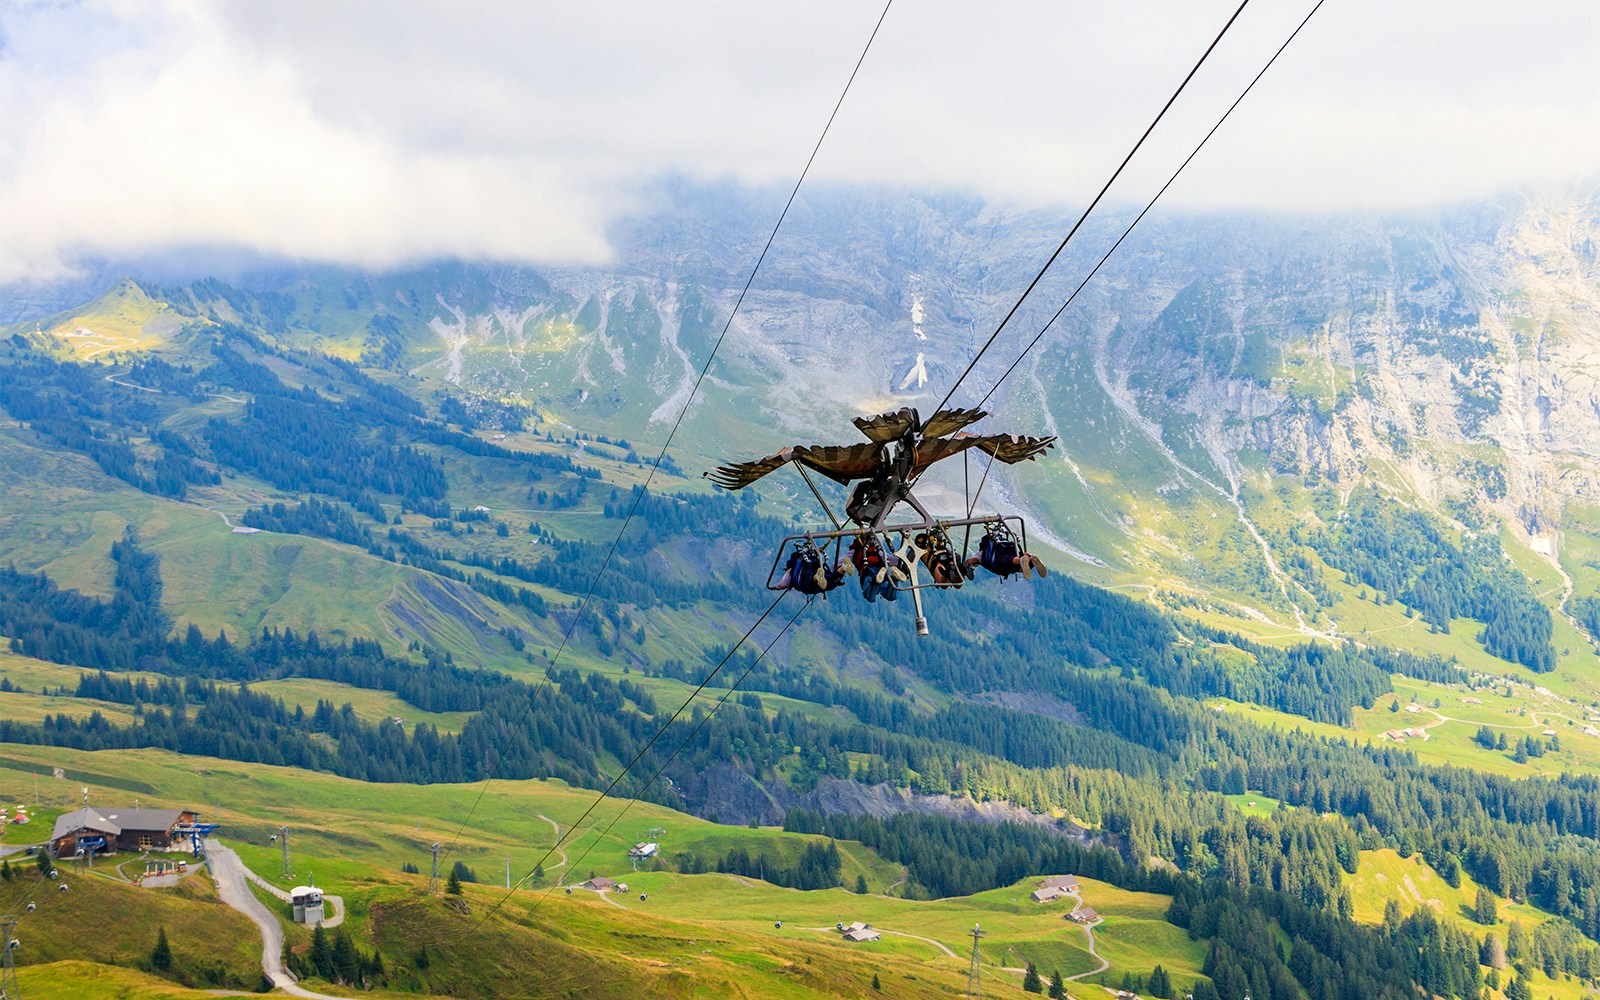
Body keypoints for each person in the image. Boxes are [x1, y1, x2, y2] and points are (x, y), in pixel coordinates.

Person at [966, 526, 1048, 580]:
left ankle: (1022, 560)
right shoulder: (999, 543)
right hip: (1008, 549)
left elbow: (970, 561)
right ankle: (1030, 559)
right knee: (1015, 560)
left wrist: (966, 566)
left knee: (1008, 561)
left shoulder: (983, 554)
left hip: (999, 562)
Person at [775, 543, 853, 594]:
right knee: (831, 580)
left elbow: (784, 583)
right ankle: (843, 568)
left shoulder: (791, 572)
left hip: (809, 583)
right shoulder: (800, 565)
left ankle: (818, 577)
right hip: (817, 576)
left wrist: (775, 587)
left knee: (815, 581)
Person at [849, 534, 900, 603]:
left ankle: (876, 581)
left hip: (868, 574)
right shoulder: (877, 551)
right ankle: (894, 579)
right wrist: (898, 564)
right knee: (890, 597)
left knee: (869, 596)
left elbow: (840, 562)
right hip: (881, 571)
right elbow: (894, 560)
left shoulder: (855, 552)